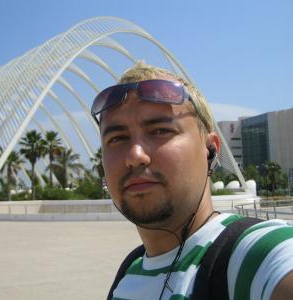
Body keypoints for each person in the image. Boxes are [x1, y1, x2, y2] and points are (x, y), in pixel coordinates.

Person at [90, 61, 293, 300]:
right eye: (117, 138)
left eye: (160, 131)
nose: (135, 156)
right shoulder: (128, 276)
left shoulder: (257, 256)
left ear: (210, 151)